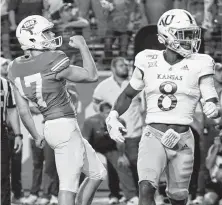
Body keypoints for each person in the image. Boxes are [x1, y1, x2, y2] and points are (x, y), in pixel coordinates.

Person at [106, 9, 221, 205]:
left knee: (178, 197)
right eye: (184, 34)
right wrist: (114, 115)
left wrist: (213, 107)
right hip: (153, 135)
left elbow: (210, 96)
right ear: (166, 36)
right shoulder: (147, 59)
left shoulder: (201, 63)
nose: (191, 39)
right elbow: (128, 93)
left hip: (183, 139)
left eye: (192, 34)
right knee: (146, 187)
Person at [7, 15, 107, 205]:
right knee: (68, 187)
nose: (52, 34)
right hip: (64, 127)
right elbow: (92, 75)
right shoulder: (53, 59)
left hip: (50, 127)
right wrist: (83, 46)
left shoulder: (15, 67)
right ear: (33, 38)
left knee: (97, 172)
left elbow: (23, 110)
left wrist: (36, 135)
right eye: (46, 32)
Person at [82, 102, 136, 205]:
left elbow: (120, 141)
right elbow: (85, 142)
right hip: (92, 146)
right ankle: (74, 194)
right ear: (100, 113)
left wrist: (121, 156)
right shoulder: (90, 122)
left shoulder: (119, 122)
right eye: (106, 113)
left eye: (111, 113)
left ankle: (131, 196)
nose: (109, 115)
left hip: (110, 148)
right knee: (79, 165)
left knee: (122, 164)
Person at [1, 76, 23, 205]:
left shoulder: (4, 83)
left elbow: (11, 109)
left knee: (3, 174)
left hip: (1, 131)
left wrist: (18, 134)